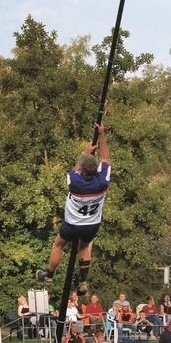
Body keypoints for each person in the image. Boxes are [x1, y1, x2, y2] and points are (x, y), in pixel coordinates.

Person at [37, 123, 110, 292]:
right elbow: (105, 158)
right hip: (91, 224)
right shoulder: (103, 180)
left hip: (71, 224)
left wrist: (86, 153)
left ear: (83, 170)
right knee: (84, 247)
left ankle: (49, 276)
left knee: (58, 245)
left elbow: (75, 170)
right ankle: (83, 282)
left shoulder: (74, 181)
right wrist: (102, 135)